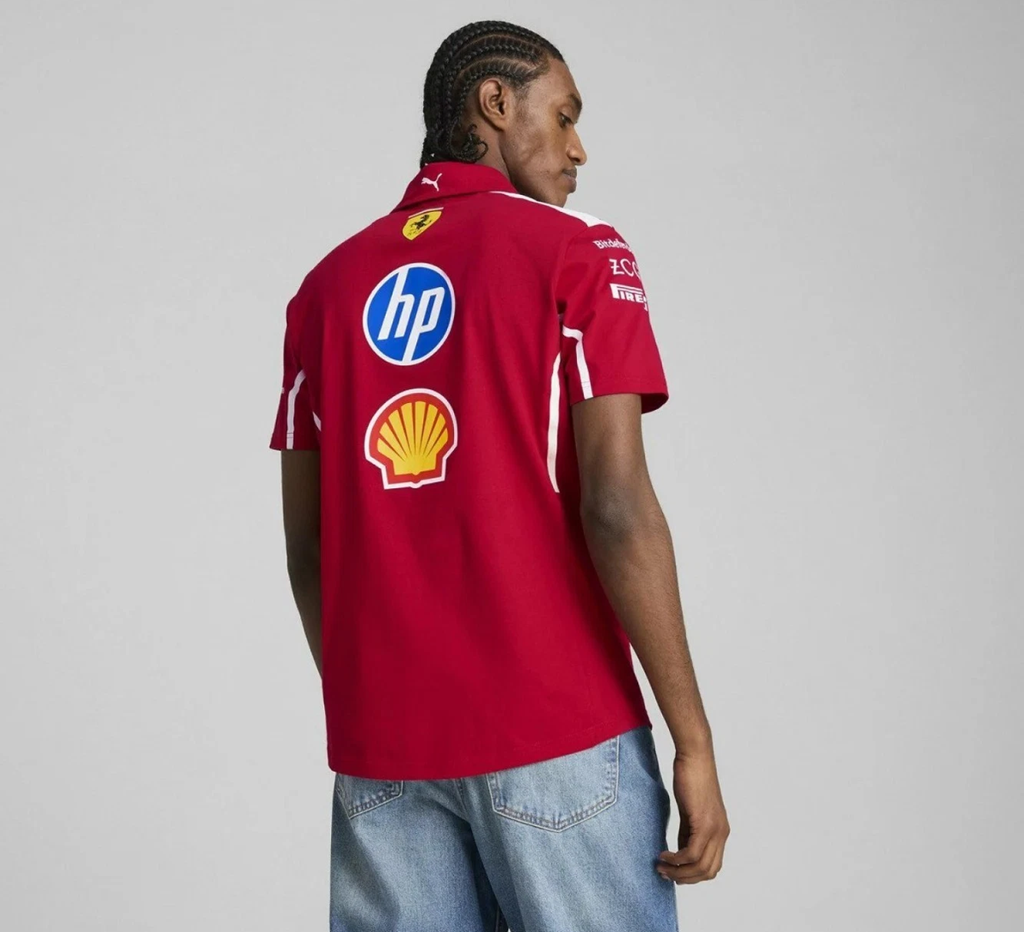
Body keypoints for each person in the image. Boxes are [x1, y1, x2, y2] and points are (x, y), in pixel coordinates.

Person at [269, 19, 729, 932]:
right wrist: (695, 741)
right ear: (495, 103)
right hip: (557, 731)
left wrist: (381, 711)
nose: (578, 149)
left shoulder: (324, 289)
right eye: (564, 116)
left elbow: (309, 550)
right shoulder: (578, 250)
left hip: (383, 753)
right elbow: (617, 507)